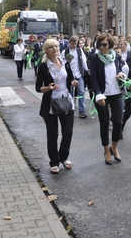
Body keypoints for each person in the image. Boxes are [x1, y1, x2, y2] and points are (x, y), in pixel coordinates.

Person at [36, 38, 78, 174]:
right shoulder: (43, 66)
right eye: (51, 47)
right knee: (52, 135)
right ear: (46, 51)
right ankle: (54, 162)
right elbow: (38, 88)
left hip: (66, 101)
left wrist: (73, 82)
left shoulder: (65, 62)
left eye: (56, 46)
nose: (55, 49)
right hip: (51, 104)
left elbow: (71, 78)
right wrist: (48, 88)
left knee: (68, 132)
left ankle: (64, 158)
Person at [90, 33, 126, 165]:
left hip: (117, 93)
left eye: (104, 45)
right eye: (99, 45)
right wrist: (98, 95)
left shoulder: (116, 56)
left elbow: (120, 69)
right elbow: (93, 78)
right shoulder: (95, 58)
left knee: (118, 122)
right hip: (102, 95)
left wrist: (121, 74)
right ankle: (106, 150)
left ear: (110, 44)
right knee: (104, 124)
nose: (101, 47)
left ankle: (114, 147)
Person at [61, 35, 88, 119]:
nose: (73, 45)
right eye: (72, 44)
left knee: (81, 92)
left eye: (75, 44)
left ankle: (81, 111)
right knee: (70, 93)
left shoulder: (80, 51)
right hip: (70, 75)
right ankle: (70, 110)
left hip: (79, 74)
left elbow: (84, 61)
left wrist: (86, 71)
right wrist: (66, 61)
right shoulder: (65, 52)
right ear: (69, 43)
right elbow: (61, 62)